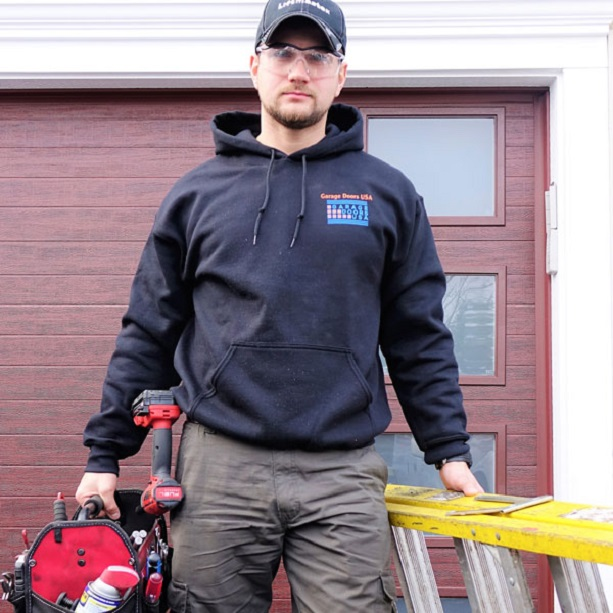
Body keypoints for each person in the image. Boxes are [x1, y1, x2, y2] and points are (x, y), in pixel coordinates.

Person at [76, 0, 484, 610]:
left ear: (339, 75)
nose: (299, 70)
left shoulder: (388, 194)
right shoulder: (197, 196)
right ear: (254, 66)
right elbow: (150, 330)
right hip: (220, 467)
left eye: (318, 56)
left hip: (342, 472)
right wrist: (106, 454)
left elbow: (418, 335)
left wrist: (449, 451)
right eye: (283, 53)